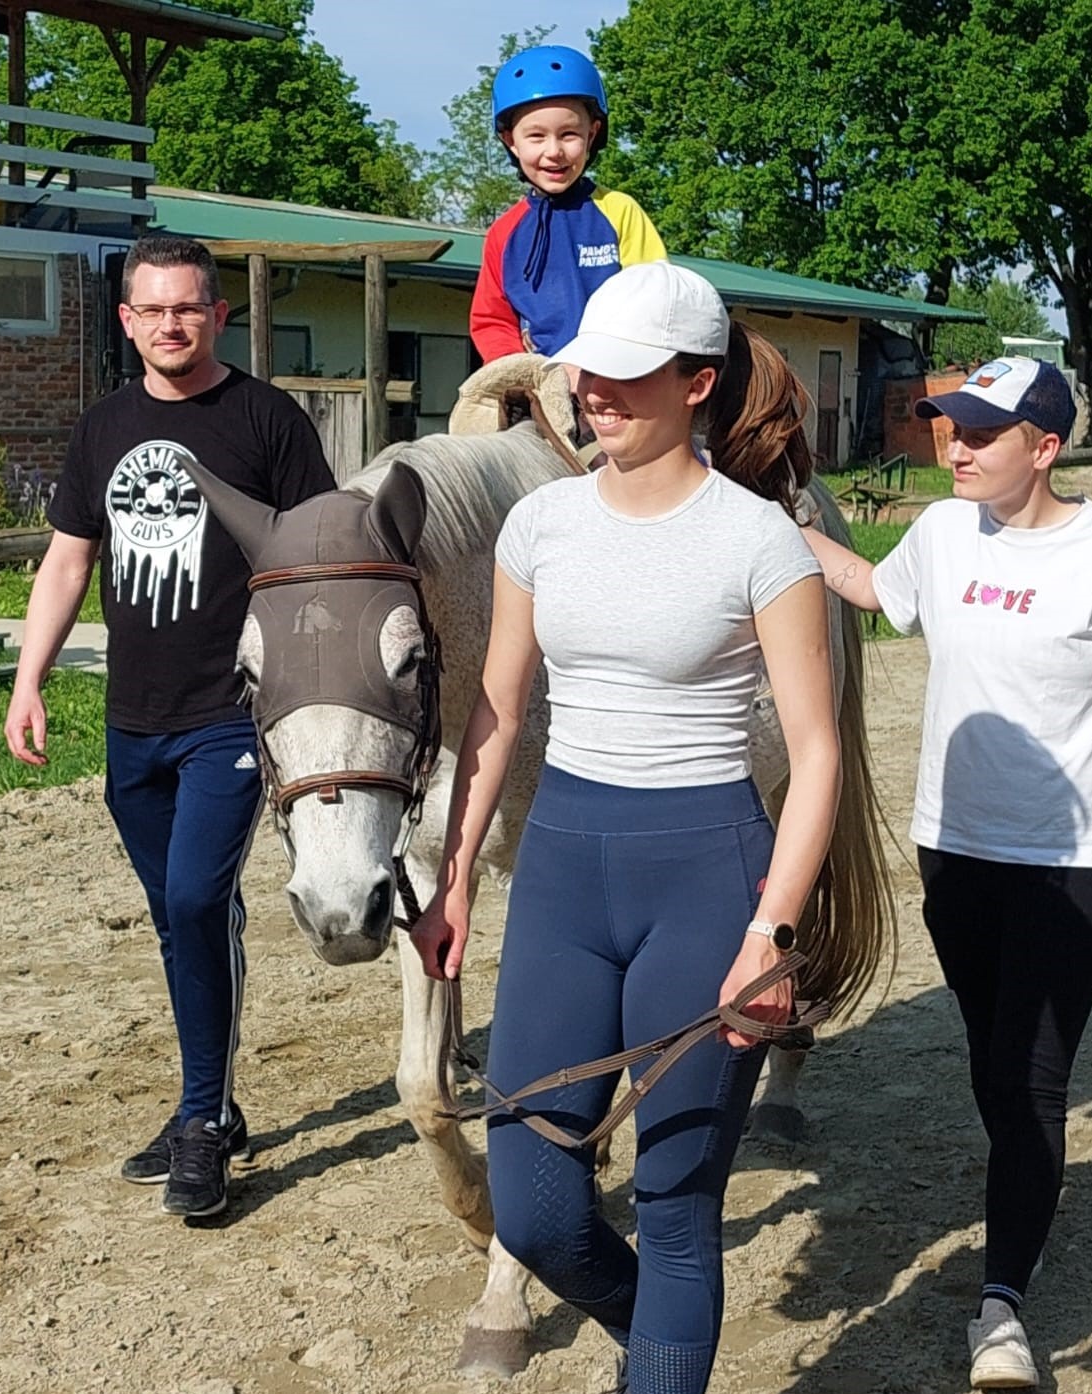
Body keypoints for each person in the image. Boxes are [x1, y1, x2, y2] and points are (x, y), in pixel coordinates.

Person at [410, 260, 855, 1394]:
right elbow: (497, 708)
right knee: (537, 1209)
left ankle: (662, 1361)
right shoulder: (540, 524)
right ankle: (656, 1335)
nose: (594, 394)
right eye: (586, 374)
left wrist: (770, 934)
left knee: (675, 1206)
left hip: (706, 877)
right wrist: (454, 879)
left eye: (625, 375)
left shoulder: (761, 542)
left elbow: (816, 755)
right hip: (562, 870)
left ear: (696, 382)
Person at [799, 356, 1092, 1388]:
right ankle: (1027, 1192)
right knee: (994, 1063)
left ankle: (1000, 1306)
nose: (956, 447)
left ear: (1045, 447)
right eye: (952, 427)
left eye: (983, 433)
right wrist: (770, 518)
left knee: (1029, 1074)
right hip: (954, 847)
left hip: (1077, 863)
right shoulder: (944, 532)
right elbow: (871, 589)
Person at [3, 235, 335, 1220]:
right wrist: (28, 680)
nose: (170, 324)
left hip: (227, 715)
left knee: (196, 902)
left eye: (187, 307)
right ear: (127, 320)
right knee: (178, 919)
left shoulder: (267, 420)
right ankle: (213, 1098)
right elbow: (68, 560)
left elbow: (320, 555)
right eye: (151, 309)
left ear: (217, 315)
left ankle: (201, 1122)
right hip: (132, 719)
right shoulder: (103, 427)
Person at [469, 44, 666, 363]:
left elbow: (653, 297)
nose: (554, 151)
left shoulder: (620, 211)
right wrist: (519, 373)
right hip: (540, 383)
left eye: (569, 134)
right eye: (536, 136)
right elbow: (493, 320)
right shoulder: (503, 233)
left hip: (615, 375)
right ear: (511, 141)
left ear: (592, 134)